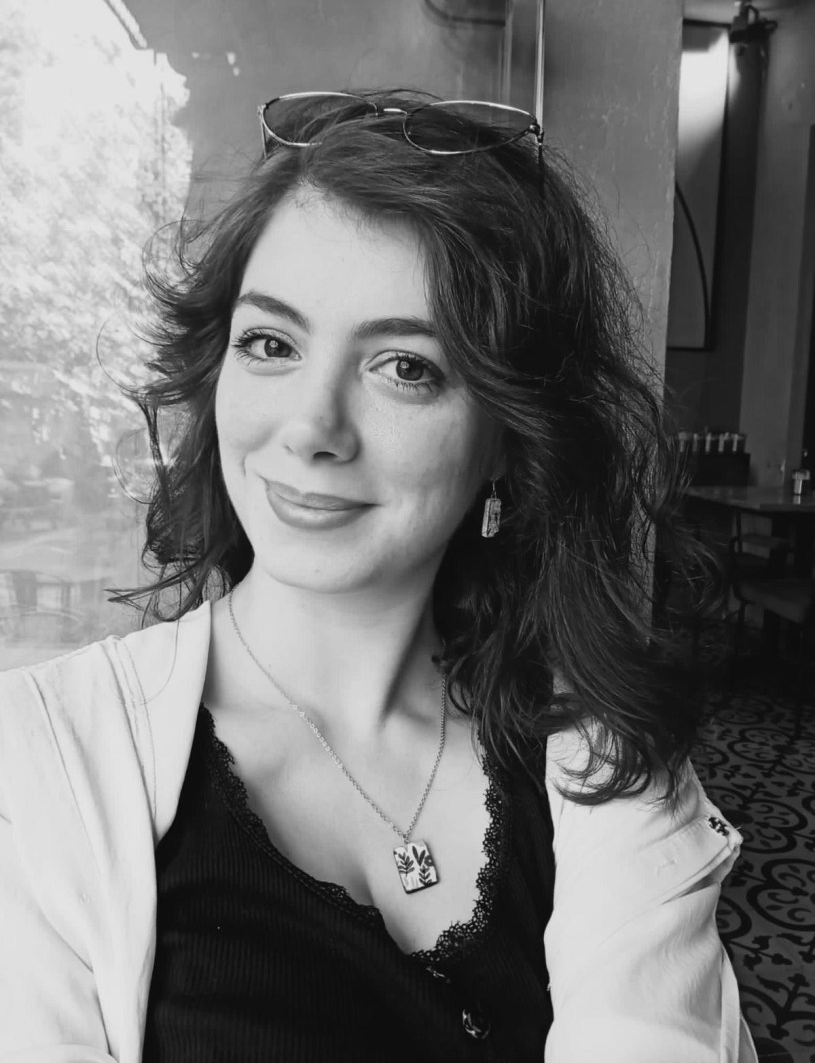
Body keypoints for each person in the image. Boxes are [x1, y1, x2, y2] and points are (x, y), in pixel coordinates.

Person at [0, 90, 757, 1062]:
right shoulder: (43, 766)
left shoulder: (600, 753)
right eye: (270, 344)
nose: (312, 428)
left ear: (507, 436)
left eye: (404, 366)